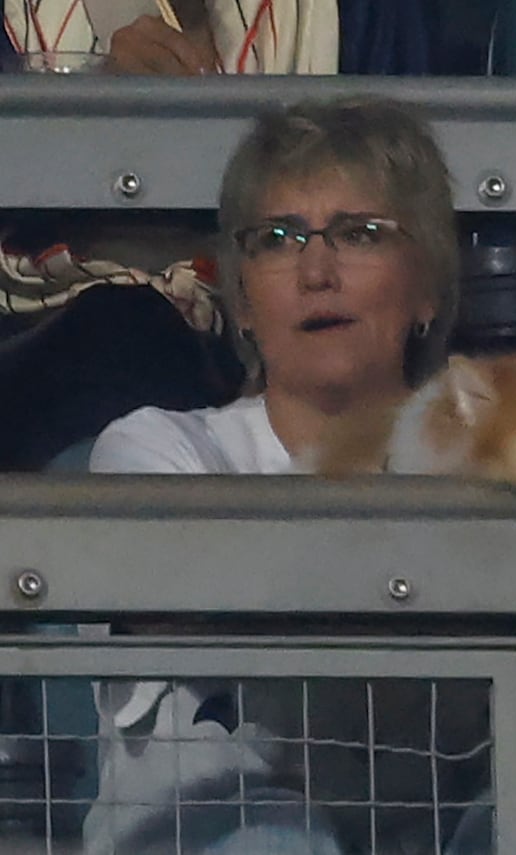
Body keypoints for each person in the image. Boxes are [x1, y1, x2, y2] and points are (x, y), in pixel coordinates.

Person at [82, 96, 480, 855]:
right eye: (278, 239)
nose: (316, 270)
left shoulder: (496, 470)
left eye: (359, 234)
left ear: (427, 284)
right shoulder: (157, 450)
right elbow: (179, 596)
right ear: (241, 299)